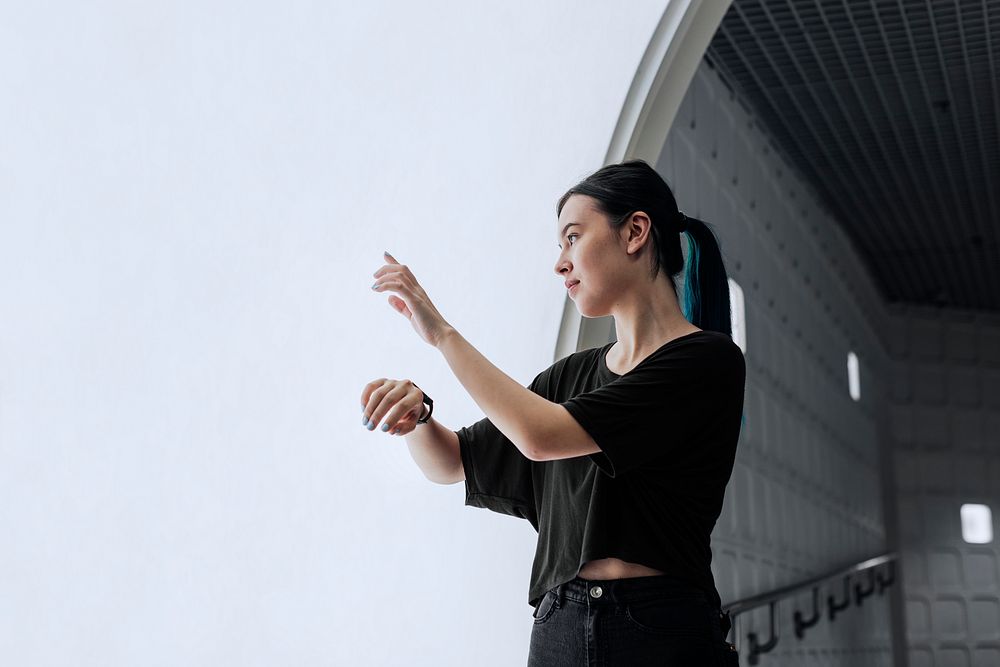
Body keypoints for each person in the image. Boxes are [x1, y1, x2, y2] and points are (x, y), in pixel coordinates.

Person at [361, 159, 744, 665]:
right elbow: (453, 463)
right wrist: (419, 418)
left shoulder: (705, 361)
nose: (560, 263)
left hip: (660, 633)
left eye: (573, 237)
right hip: (558, 629)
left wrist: (442, 335)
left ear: (635, 232)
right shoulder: (567, 379)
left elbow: (540, 436)